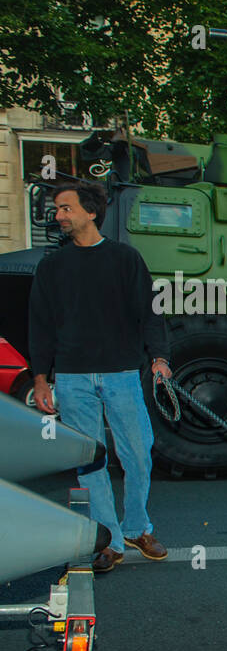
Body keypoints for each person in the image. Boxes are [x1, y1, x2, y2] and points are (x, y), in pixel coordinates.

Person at [28, 179, 171, 573]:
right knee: (89, 463)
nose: (59, 216)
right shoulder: (52, 267)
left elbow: (150, 313)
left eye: (65, 208)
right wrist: (41, 379)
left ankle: (137, 527)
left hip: (123, 374)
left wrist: (159, 358)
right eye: (57, 209)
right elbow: (39, 326)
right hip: (72, 379)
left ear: (91, 212)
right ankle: (109, 538)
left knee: (138, 454)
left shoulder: (126, 259)